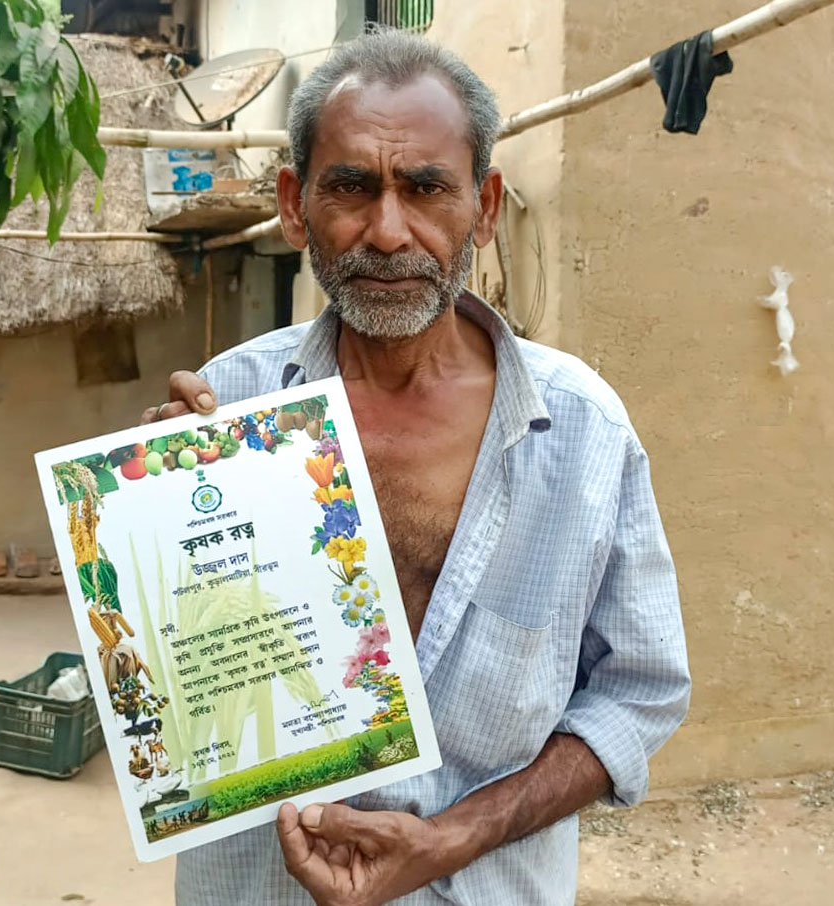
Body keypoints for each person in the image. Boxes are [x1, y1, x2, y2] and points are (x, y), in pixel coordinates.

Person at [143, 30, 691, 906]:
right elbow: (161, 702)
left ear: (485, 206)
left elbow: (639, 693)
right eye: (352, 187)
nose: (389, 232)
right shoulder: (225, 409)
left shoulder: (584, 433)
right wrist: (150, 534)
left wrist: (457, 836)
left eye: (427, 188)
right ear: (294, 205)